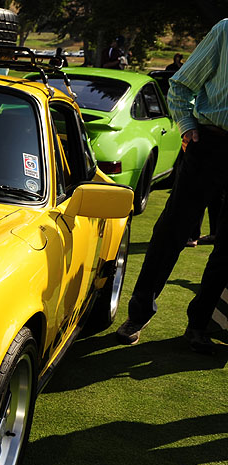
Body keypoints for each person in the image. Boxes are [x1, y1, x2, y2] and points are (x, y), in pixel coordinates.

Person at [116, 19, 228, 354]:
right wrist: (187, 125)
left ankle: (199, 325)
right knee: (171, 234)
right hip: (210, 145)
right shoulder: (226, 30)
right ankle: (138, 314)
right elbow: (180, 86)